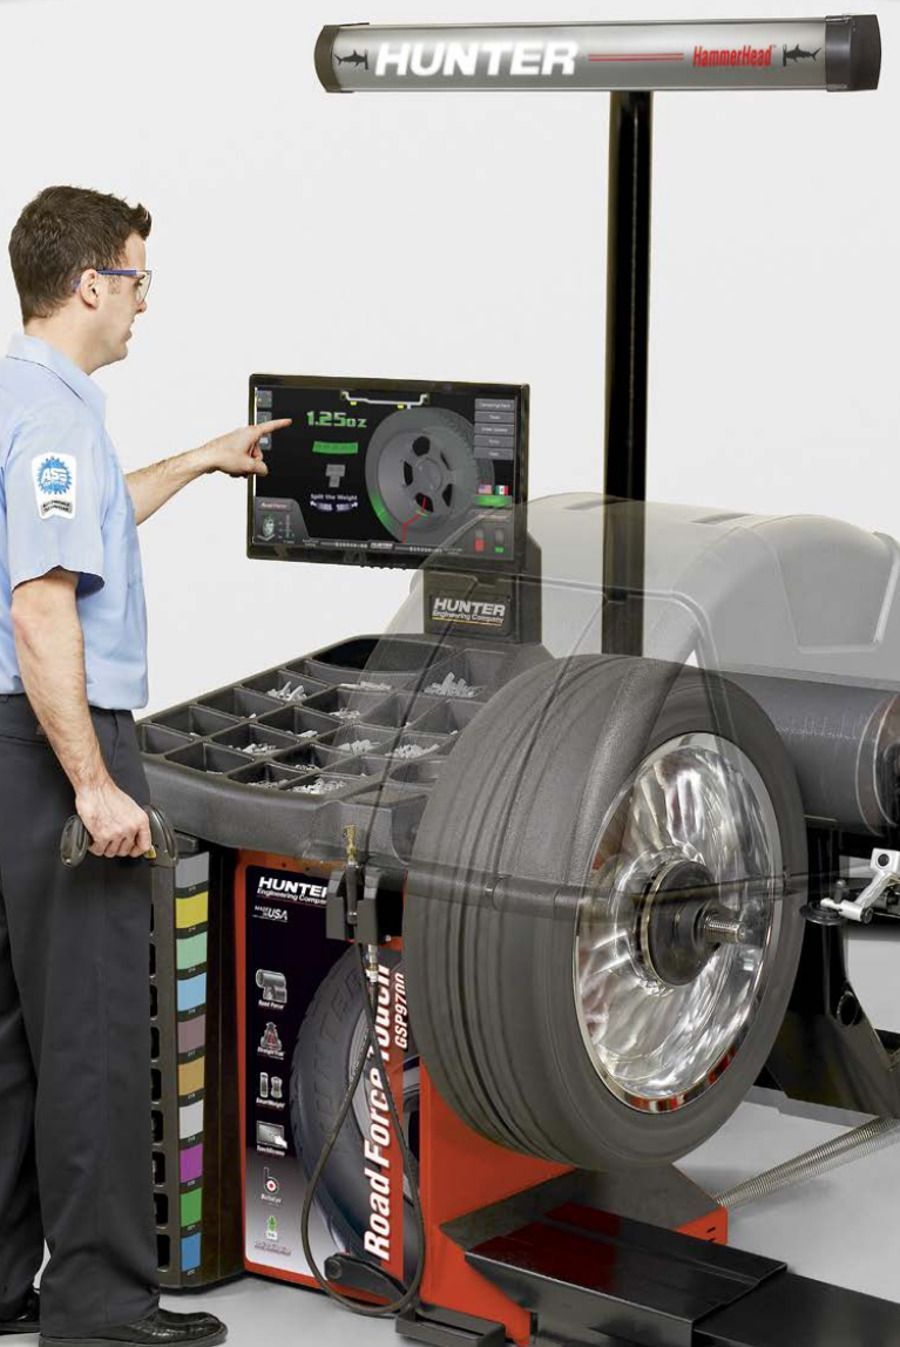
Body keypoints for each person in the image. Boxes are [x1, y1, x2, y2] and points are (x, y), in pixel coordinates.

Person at [0, 186, 288, 1347]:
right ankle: (102, 1308)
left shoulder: (19, 398)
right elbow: (41, 603)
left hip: (2, 744)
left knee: (16, 1034)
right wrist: (96, 785)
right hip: (53, 743)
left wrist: (204, 461)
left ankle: (9, 1284)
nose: (141, 308)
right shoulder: (58, 415)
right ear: (89, 286)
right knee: (98, 1034)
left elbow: (84, 524)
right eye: (135, 281)